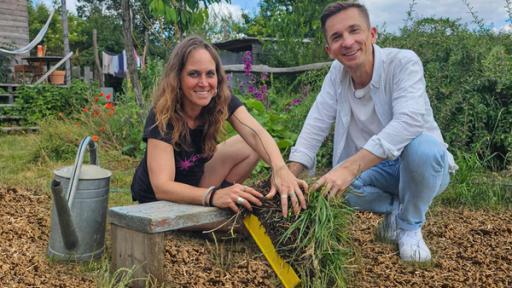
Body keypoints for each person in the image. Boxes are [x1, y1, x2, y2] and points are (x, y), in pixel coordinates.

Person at [287, 2, 457, 262]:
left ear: (372, 34)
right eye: (336, 37)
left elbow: (409, 121)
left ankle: (410, 227)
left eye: (354, 31)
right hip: (376, 171)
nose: (347, 42)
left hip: (422, 166)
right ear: (329, 50)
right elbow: (315, 124)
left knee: (425, 149)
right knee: (330, 190)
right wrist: (288, 177)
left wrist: (348, 168)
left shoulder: (403, 62)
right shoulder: (336, 74)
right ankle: (396, 211)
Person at [131, 36, 307, 218]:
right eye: (194, 74)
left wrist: (280, 169)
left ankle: (220, 202)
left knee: (247, 144)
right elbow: (162, 187)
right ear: (178, 78)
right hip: (159, 202)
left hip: (197, 183)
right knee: (241, 224)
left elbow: (256, 134)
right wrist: (213, 195)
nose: (204, 83)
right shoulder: (163, 114)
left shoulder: (220, 100)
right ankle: (215, 204)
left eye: (210, 73)